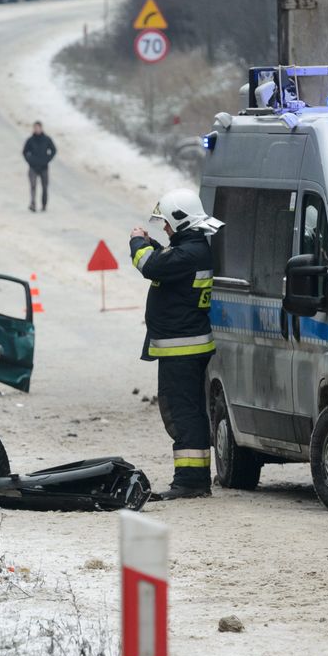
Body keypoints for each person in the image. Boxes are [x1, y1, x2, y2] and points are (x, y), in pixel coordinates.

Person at [129, 188, 221, 500]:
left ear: (181, 221)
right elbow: (166, 260)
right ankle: (193, 479)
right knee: (187, 412)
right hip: (184, 347)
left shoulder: (190, 253)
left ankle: (191, 482)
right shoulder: (192, 250)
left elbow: (151, 266)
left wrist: (138, 242)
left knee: (183, 414)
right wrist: (153, 245)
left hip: (182, 348)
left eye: (167, 224)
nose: (165, 229)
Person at [21, 121, 56, 212]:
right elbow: (24, 152)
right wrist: (30, 160)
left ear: (41, 128)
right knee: (33, 186)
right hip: (33, 167)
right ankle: (33, 204)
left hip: (44, 167)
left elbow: (53, 150)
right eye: (35, 128)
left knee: (44, 187)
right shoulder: (30, 140)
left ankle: (44, 205)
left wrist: (47, 159)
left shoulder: (47, 139)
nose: (36, 129)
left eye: (38, 128)